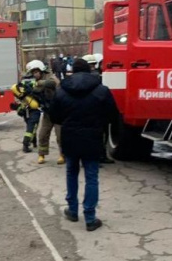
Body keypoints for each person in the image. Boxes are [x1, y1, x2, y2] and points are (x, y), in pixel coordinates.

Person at [49, 59, 119, 231]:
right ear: (89, 71)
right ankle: (90, 217)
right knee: (91, 177)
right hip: (92, 138)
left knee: (71, 172)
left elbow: (54, 117)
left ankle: (72, 210)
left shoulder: (62, 90)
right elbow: (112, 115)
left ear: (72, 71)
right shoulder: (101, 90)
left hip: (70, 137)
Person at [29, 60, 63, 165]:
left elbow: (55, 83)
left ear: (41, 70)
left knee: (60, 135)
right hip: (47, 113)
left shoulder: (50, 77)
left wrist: (41, 83)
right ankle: (41, 154)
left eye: (36, 72)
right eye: (33, 73)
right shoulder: (35, 82)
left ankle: (63, 154)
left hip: (58, 112)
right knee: (43, 134)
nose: (35, 74)